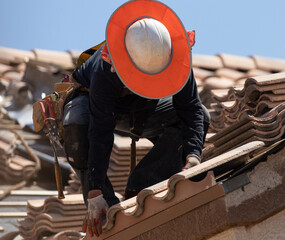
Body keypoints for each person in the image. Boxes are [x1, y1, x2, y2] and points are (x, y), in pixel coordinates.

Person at [62, 0, 209, 237]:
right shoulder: (105, 67)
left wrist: (193, 156)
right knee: (77, 126)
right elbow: (100, 130)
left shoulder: (176, 55)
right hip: (95, 104)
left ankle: (142, 184)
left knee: (202, 115)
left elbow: (191, 110)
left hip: (143, 108)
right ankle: (107, 209)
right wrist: (95, 190)